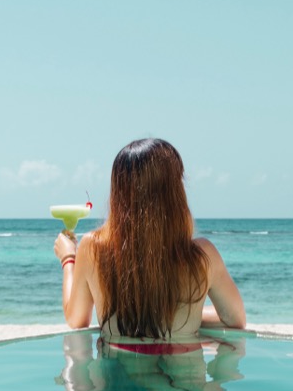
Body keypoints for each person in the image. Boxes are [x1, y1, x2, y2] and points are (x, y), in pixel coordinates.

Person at [53, 138, 246, 351]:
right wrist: (184, 314)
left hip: (114, 383)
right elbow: (235, 320)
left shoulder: (92, 248)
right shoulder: (202, 255)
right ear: (175, 193)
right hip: (183, 384)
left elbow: (76, 320)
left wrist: (68, 259)